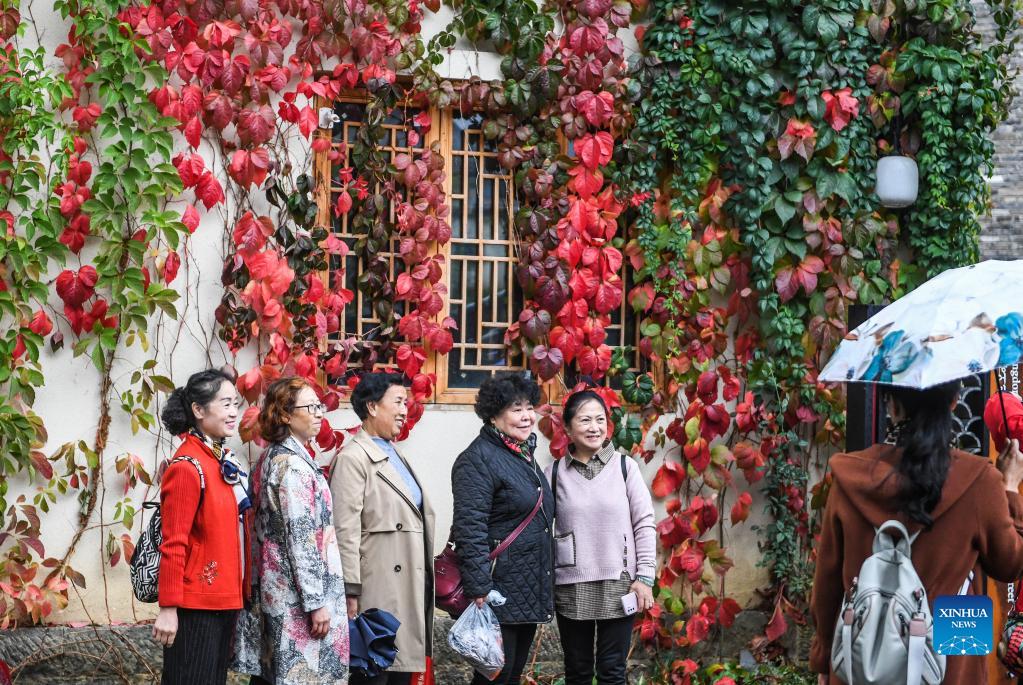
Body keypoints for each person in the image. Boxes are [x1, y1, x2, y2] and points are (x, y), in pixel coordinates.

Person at [810, 380, 1023, 684]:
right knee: (963, 608)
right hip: (953, 651)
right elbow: (1010, 565)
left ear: (892, 404)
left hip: (865, 658)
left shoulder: (849, 476)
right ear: (953, 402)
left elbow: (827, 586)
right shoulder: (978, 480)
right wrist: (1010, 488)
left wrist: (823, 660)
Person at [233, 377, 349, 684]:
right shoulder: (293, 467)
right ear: (285, 414)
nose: (319, 413)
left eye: (320, 406)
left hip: (277, 588)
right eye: (310, 407)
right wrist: (316, 603)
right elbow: (301, 538)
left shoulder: (271, 457)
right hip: (296, 598)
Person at [330, 373, 435, 685]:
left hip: (406, 588)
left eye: (406, 401)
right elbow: (343, 529)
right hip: (375, 590)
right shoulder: (353, 458)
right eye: (398, 402)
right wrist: (350, 590)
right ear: (372, 406)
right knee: (375, 673)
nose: (405, 409)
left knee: (400, 673)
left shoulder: (395, 454)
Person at [545, 390, 656, 685]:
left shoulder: (625, 468)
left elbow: (644, 523)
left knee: (612, 672)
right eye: (585, 420)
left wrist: (644, 577)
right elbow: (540, 529)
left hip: (618, 583)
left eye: (600, 419)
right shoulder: (554, 473)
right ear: (567, 428)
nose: (594, 427)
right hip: (571, 584)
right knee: (577, 672)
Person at [451, 371, 555, 685]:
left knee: (510, 674)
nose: (527, 417)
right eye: (516, 409)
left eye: (529, 408)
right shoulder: (478, 459)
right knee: (495, 675)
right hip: (497, 589)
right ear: (494, 415)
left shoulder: (522, 454)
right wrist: (479, 587)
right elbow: (470, 527)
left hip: (527, 583)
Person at [153, 369, 248, 685]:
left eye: (235, 403)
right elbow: (173, 542)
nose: (234, 412)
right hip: (194, 606)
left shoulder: (219, 460)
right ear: (198, 409)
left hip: (223, 601)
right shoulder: (187, 467)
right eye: (225, 404)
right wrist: (168, 608)